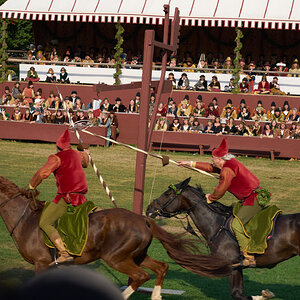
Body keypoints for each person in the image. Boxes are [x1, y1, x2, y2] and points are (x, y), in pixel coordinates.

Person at [178, 138, 270, 267]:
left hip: (253, 198)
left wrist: (211, 198)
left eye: (213, 157)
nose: (212, 159)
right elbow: (210, 167)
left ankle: (248, 257)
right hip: (249, 197)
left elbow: (221, 189)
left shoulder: (227, 170)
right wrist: (190, 163)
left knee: (237, 225)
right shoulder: (227, 163)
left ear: (220, 159)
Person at [29, 129, 90, 265]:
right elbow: (86, 163)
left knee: (44, 222)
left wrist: (32, 185)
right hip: (82, 197)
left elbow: (43, 173)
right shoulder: (77, 154)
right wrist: (85, 153)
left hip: (66, 198)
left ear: (57, 146)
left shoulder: (56, 157)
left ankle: (64, 253)